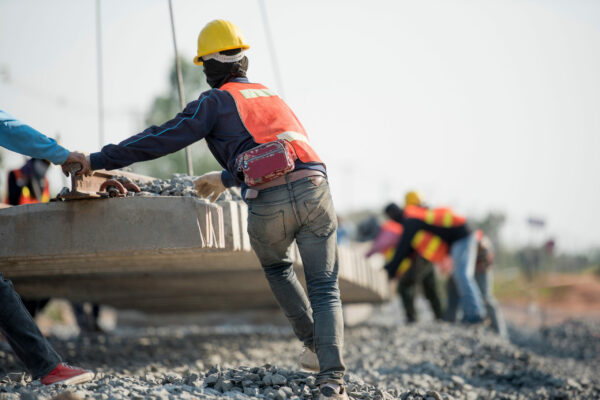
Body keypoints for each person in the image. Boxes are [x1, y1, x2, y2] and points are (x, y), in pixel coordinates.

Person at [76, 20, 347, 399]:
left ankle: (313, 344)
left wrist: (97, 158)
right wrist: (225, 177)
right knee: (324, 287)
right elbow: (278, 153)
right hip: (316, 190)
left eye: (204, 65)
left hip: (268, 203)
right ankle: (332, 380)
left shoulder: (216, 101)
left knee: (277, 267)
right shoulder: (272, 96)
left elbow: (160, 138)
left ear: (214, 65)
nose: (203, 73)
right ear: (243, 60)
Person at [0, 109, 94, 385]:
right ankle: (48, 367)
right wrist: (62, 154)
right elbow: (8, 127)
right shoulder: (17, 175)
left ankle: (47, 366)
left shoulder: (38, 180)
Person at [383, 202, 486, 323]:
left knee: (462, 276)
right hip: (459, 237)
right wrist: (391, 269)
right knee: (458, 278)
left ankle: (476, 314)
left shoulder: (410, 220)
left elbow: (403, 248)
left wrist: (390, 270)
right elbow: (408, 249)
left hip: (461, 236)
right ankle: (467, 315)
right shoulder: (413, 215)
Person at [445, 230, 507, 337]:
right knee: (458, 297)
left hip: (480, 267)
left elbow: (487, 254)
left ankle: (500, 334)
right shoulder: (451, 239)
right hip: (463, 268)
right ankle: (456, 326)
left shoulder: (477, 240)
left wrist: (482, 265)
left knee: (486, 297)